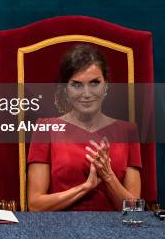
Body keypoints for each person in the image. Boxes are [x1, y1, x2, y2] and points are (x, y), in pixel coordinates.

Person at [27, 44, 141, 211]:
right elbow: (35, 205)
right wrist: (86, 187)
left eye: (95, 83)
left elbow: (134, 211)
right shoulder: (46, 128)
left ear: (106, 85)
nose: (87, 94)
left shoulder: (128, 131)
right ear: (66, 89)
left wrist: (108, 176)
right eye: (77, 84)